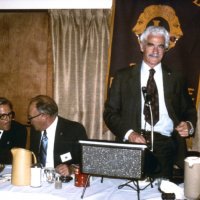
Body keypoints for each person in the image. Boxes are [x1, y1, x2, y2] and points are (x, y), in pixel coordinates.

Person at [103, 26, 197, 179]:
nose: (156, 50)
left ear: (165, 49)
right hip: (132, 144)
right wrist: (129, 134)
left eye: (160, 46)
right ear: (141, 46)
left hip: (164, 146)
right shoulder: (123, 77)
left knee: (159, 193)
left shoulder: (176, 78)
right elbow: (110, 113)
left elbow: (189, 110)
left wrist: (189, 124)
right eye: (151, 44)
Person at [28, 95, 88, 177]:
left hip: (63, 181)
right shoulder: (35, 130)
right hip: (38, 178)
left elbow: (86, 162)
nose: (30, 121)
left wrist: (71, 169)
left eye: (31, 117)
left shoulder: (74, 130)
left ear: (44, 116)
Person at [0, 97, 27, 164]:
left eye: (9, 114)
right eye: (3, 116)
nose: (8, 119)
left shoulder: (19, 130)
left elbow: (13, 158)